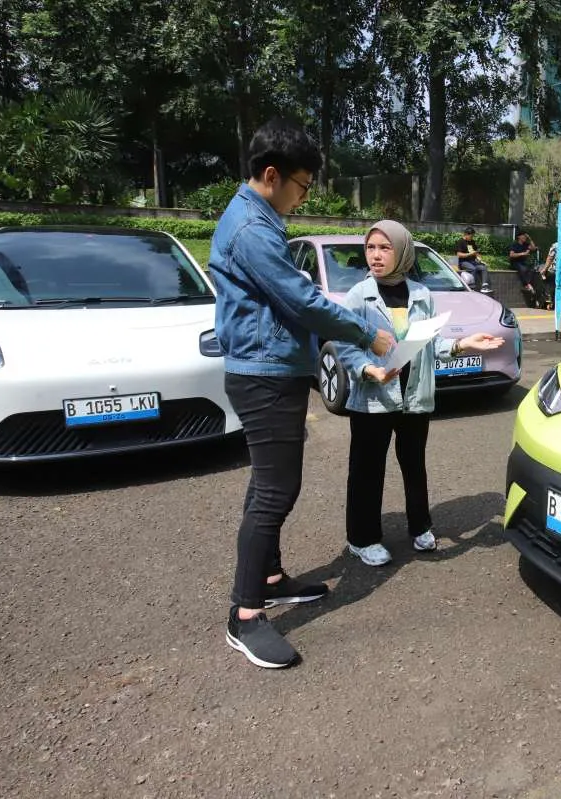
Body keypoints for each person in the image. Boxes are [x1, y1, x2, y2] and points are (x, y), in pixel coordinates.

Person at [210, 118, 396, 670]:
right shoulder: (251, 228)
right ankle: (244, 616)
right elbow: (299, 299)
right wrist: (366, 332)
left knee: (268, 485)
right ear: (272, 175)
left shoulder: (256, 220)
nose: (304, 196)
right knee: (275, 490)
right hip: (262, 374)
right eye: (303, 185)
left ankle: (268, 579)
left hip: (271, 369)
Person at [335, 220, 504, 567]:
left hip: (414, 396)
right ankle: (362, 538)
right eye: (370, 248)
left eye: (385, 248)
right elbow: (344, 346)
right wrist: (368, 370)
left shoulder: (421, 294)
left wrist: (462, 343)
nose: (376, 256)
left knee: (414, 465)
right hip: (374, 398)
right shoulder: (359, 296)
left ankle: (420, 526)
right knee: (367, 469)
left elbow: (427, 343)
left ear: (403, 252)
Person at [508, 231, 543, 308]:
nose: (525, 238)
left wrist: (530, 238)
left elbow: (533, 248)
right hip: (515, 263)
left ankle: (529, 285)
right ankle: (526, 285)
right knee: (523, 269)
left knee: (532, 269)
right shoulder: (514, 244)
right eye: (523, 236)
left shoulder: (526, 245)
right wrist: (523, 254)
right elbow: (511, 255)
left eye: (525, 237)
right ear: (519, 237)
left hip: (523, 263)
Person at [455, 227, 491, 293]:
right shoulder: (460, 242)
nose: (472, 238)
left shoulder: (472, 242)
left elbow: (476, 253)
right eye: (471, 236)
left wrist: (480, 260)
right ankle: (471, 287)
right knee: (473, 268)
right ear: (466, 234)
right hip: (463, 262)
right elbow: (459, 254)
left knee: (483, 267)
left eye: (473, 236)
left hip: (473, 262)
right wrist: (470, 254)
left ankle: (484, 287)